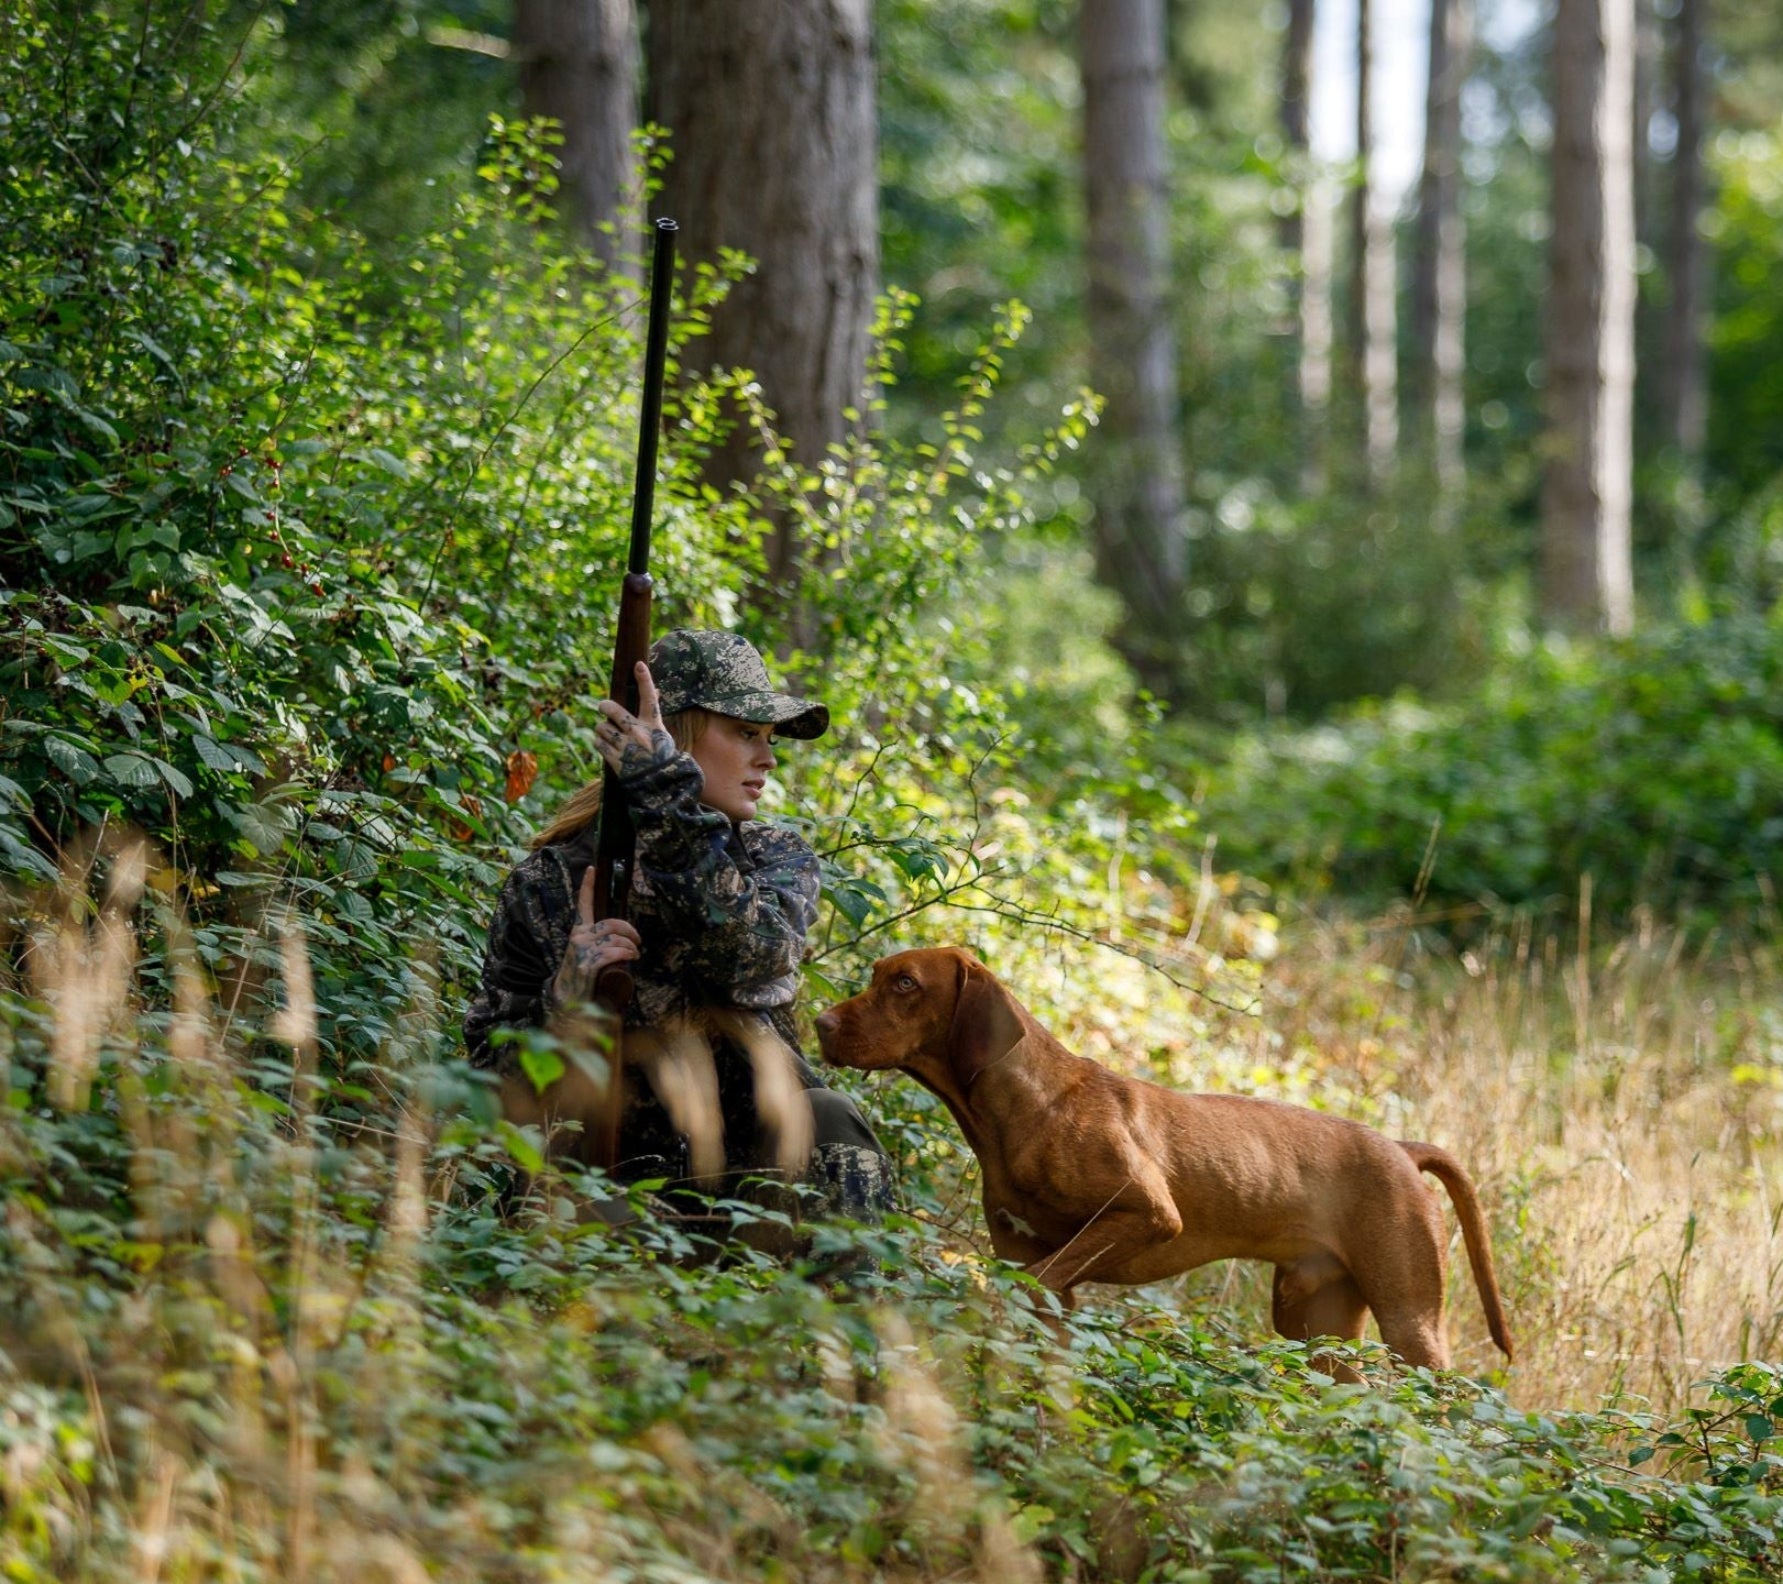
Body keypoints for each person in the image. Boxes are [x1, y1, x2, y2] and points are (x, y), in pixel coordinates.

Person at [463, 628, 894, 1221]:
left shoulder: (773, 858)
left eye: (768, 739)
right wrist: (561, 1006)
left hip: (753, 1194)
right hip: (610, 1196)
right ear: (674, 731)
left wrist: (667, 799)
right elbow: (489, 1099)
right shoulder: (550, 883)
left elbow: (754, 958)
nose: (766, 758)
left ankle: (856, 1314)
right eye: (745, 733)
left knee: (832, 1117)